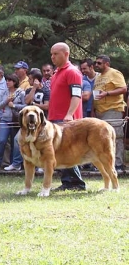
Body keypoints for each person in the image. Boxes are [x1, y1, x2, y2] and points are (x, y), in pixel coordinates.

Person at [49, 42, 85, 192]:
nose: (52, 57)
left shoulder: (72, 72)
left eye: (56, 54)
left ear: (66, 54)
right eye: (51, 54)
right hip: (54, 118)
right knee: (58, 152)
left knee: (66, 151)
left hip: (66, 120)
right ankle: (67, 182)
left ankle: (77, 183)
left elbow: (76, 95)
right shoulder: (56, 73)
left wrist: (69, 114)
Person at [93, 55, 127, 172]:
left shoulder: (115, 73)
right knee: (103, 139)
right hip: (100, 112)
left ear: (106, 63)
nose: (96, 65)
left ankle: (118, 164)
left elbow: (123, 89)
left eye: (99, 63)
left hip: (113, 110)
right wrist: (93, 111)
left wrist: (107, 94)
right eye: (95, 63)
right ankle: (106, 164)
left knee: (116, 137)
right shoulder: (98, 77)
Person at [0, 74, 26, 172]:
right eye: (6, 80)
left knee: (15, 143)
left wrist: (14, 105)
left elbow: (25, 106)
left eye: (9, 80)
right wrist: (6, 101)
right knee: (1, 141)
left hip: (16, 121)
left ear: (14, 82)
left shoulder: (21, 93)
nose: (7, 82)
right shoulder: (3, 92)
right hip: (5, 120)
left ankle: (14, 164)